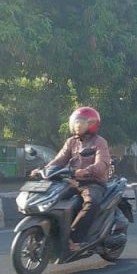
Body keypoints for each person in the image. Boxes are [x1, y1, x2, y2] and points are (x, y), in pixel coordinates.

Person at [31, 106, 110, 252]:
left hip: (93, 182)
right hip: (71, 180)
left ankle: (75, 239)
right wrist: (43, 170)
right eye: (76, 122)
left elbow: (102, 164)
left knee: (90, 203)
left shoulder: (99, 142)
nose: (77, 125)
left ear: (92, 124)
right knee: (52, 198)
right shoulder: (71, 142)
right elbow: (59, 160)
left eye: (81, 122)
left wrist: (86, 171)